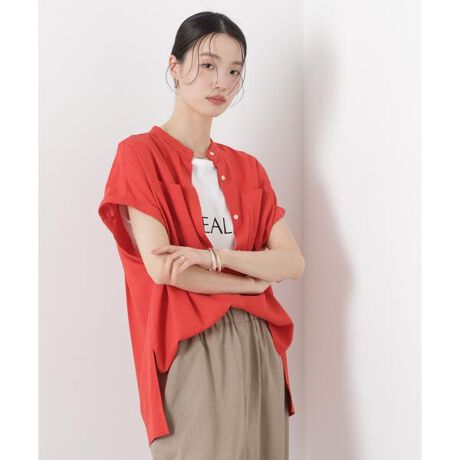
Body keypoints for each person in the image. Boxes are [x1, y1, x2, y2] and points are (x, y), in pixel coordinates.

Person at [98, 10, 305, 460]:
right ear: (174, 66)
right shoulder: (139, 156)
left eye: (234, 71)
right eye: (208, 65)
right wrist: (253, 282)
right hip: (191, 347)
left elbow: (292, 262)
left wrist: (214, 259)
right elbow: (163, 269)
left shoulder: (249, 169)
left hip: (259, 343)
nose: (221, 82)